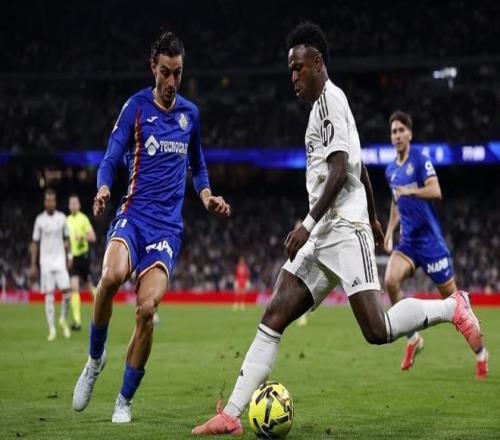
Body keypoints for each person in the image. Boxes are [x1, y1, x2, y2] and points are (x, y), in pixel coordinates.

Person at [191, 22, 486, 436]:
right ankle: (233, 415)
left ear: (317, 63)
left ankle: (452, 307)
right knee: (274, 314)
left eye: (298, 68)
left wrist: (309, 224)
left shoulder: (330, 101)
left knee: (377, 330)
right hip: (329, 230)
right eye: (290, 70)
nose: (293, 77)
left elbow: (339, 169)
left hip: (343, 228)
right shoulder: (323, 109)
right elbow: (358, 168)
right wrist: (375, 215)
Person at [72, 31, 230, 424]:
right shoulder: (136, 108)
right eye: (165, 72)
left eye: (178, 73)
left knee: (146, 310)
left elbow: (198, 165)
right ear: (153, 69)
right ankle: (95, 360)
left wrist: (207, 196)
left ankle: (124, 401)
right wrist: (103, 187)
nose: (172, 81)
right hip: (133, 216)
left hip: (166, 230)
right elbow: (111, 156)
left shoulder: (190, 115)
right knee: (110, 276)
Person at [384, 111, 488, 377]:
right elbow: (396, 203)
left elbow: (436, 190)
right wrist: (389, 231)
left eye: (401, 130)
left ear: (410, 134)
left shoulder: (420, 159)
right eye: (394, 131)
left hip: (431, 244)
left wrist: (410, 190)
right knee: (391, 282)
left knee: (456, 305)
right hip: (408, 243)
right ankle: (413, 339)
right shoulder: (390, 170)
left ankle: (480, 352)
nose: (397, 135)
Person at [31, 188, 72, 341]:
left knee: (67, 292)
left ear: (55, 202)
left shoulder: (62, 218)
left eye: (52, 200)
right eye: (48, 200)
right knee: (49, 295)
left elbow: (67, 239)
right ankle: (52, 329)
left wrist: (69, 256)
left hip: (60, 260)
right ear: (45, 202)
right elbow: (35, 243)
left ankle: (62, 319)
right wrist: (33, 264)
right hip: (46, 262)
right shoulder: (39, 220)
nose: (50, 203)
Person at [67, 194, 97, 331]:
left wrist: (82, 237)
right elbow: (66, 241)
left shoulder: (83, 219)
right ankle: (77, 321)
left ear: (79, 205)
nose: (73, 206)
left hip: (84, 258)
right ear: (69, 206)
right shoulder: (66, 221)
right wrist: (68, 255)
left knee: (89, 286)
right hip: (73, 258)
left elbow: (93, 237)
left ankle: (103, 308)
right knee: (74, 287)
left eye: (75, 203)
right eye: (71, 204)